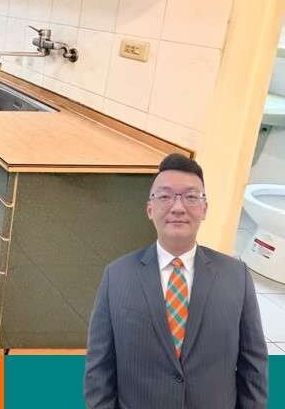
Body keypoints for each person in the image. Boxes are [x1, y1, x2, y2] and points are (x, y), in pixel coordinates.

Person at [84, 153, 267, 409]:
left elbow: (254, 363)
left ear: (204, 209)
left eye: (191, 197)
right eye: (165, 196)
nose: (178, 207)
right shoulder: (116, 275)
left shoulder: (236, 276)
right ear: (150, 209)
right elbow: (99, 367)